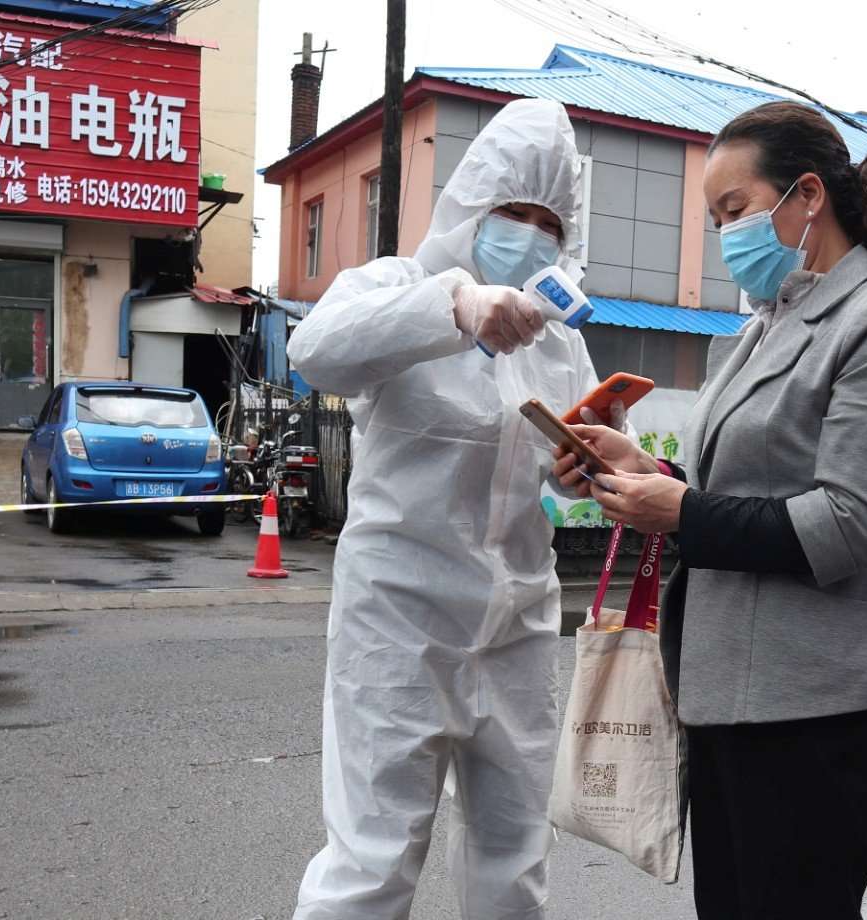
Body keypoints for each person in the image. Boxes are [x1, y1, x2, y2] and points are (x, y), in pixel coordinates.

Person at [552, 100, 867, 919]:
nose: (726, 233)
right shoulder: (761, 328)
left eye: (735, 210)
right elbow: (730, 485)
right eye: (716, 218)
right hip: (725, 688)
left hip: (819, 704)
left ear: (808, 196)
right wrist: (638, 471)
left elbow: (850, 524)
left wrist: (680, 512)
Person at [287, 98, 621, 920]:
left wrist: (584, 468)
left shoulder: (558, 339)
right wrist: (453, 308)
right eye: (514, 212)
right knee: (373, 858)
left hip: (518, 622)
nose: (531, 235)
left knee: (516, 851)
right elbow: (315, 352)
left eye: (549, 223)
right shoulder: (395, 286)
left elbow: (560, 468)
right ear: (472, 205)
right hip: (400, 620)